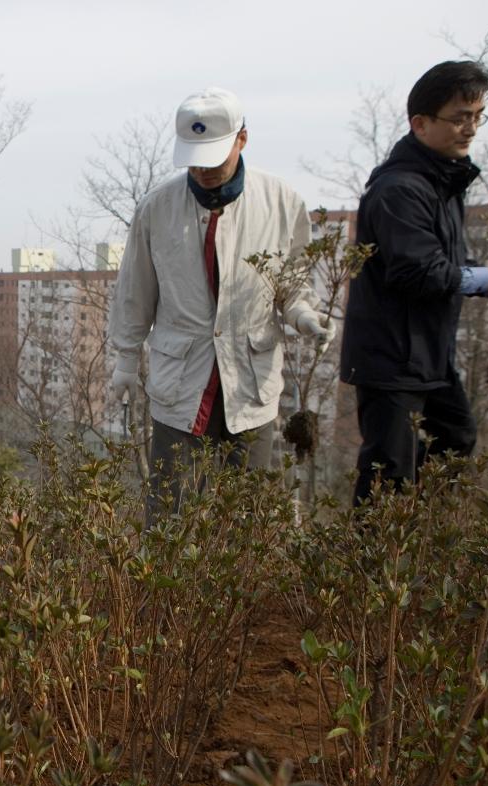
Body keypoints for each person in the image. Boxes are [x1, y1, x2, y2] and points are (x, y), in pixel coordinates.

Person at [109, 87, 332, 521]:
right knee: (169, 512)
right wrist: (125, 355)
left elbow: (292, 282)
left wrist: (303, 314)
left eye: (213, 157)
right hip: (180, 380)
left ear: (242, 139)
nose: (203, 170)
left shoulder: (282, 202)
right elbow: (135, 289)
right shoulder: (157, 208)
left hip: (251, 382)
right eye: (194, 158)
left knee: (248, 516)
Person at [341, 61, 488, 506]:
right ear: (420, 123)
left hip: (428, 354)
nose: (470, 129)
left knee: (457, 437)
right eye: (459, 117)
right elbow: (418, 271)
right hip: (391, 359)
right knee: (389, 473)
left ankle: (418, 542)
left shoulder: (441, 183)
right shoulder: (400, 188)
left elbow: (443, 260)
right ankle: (369, 567)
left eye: (477, 116)